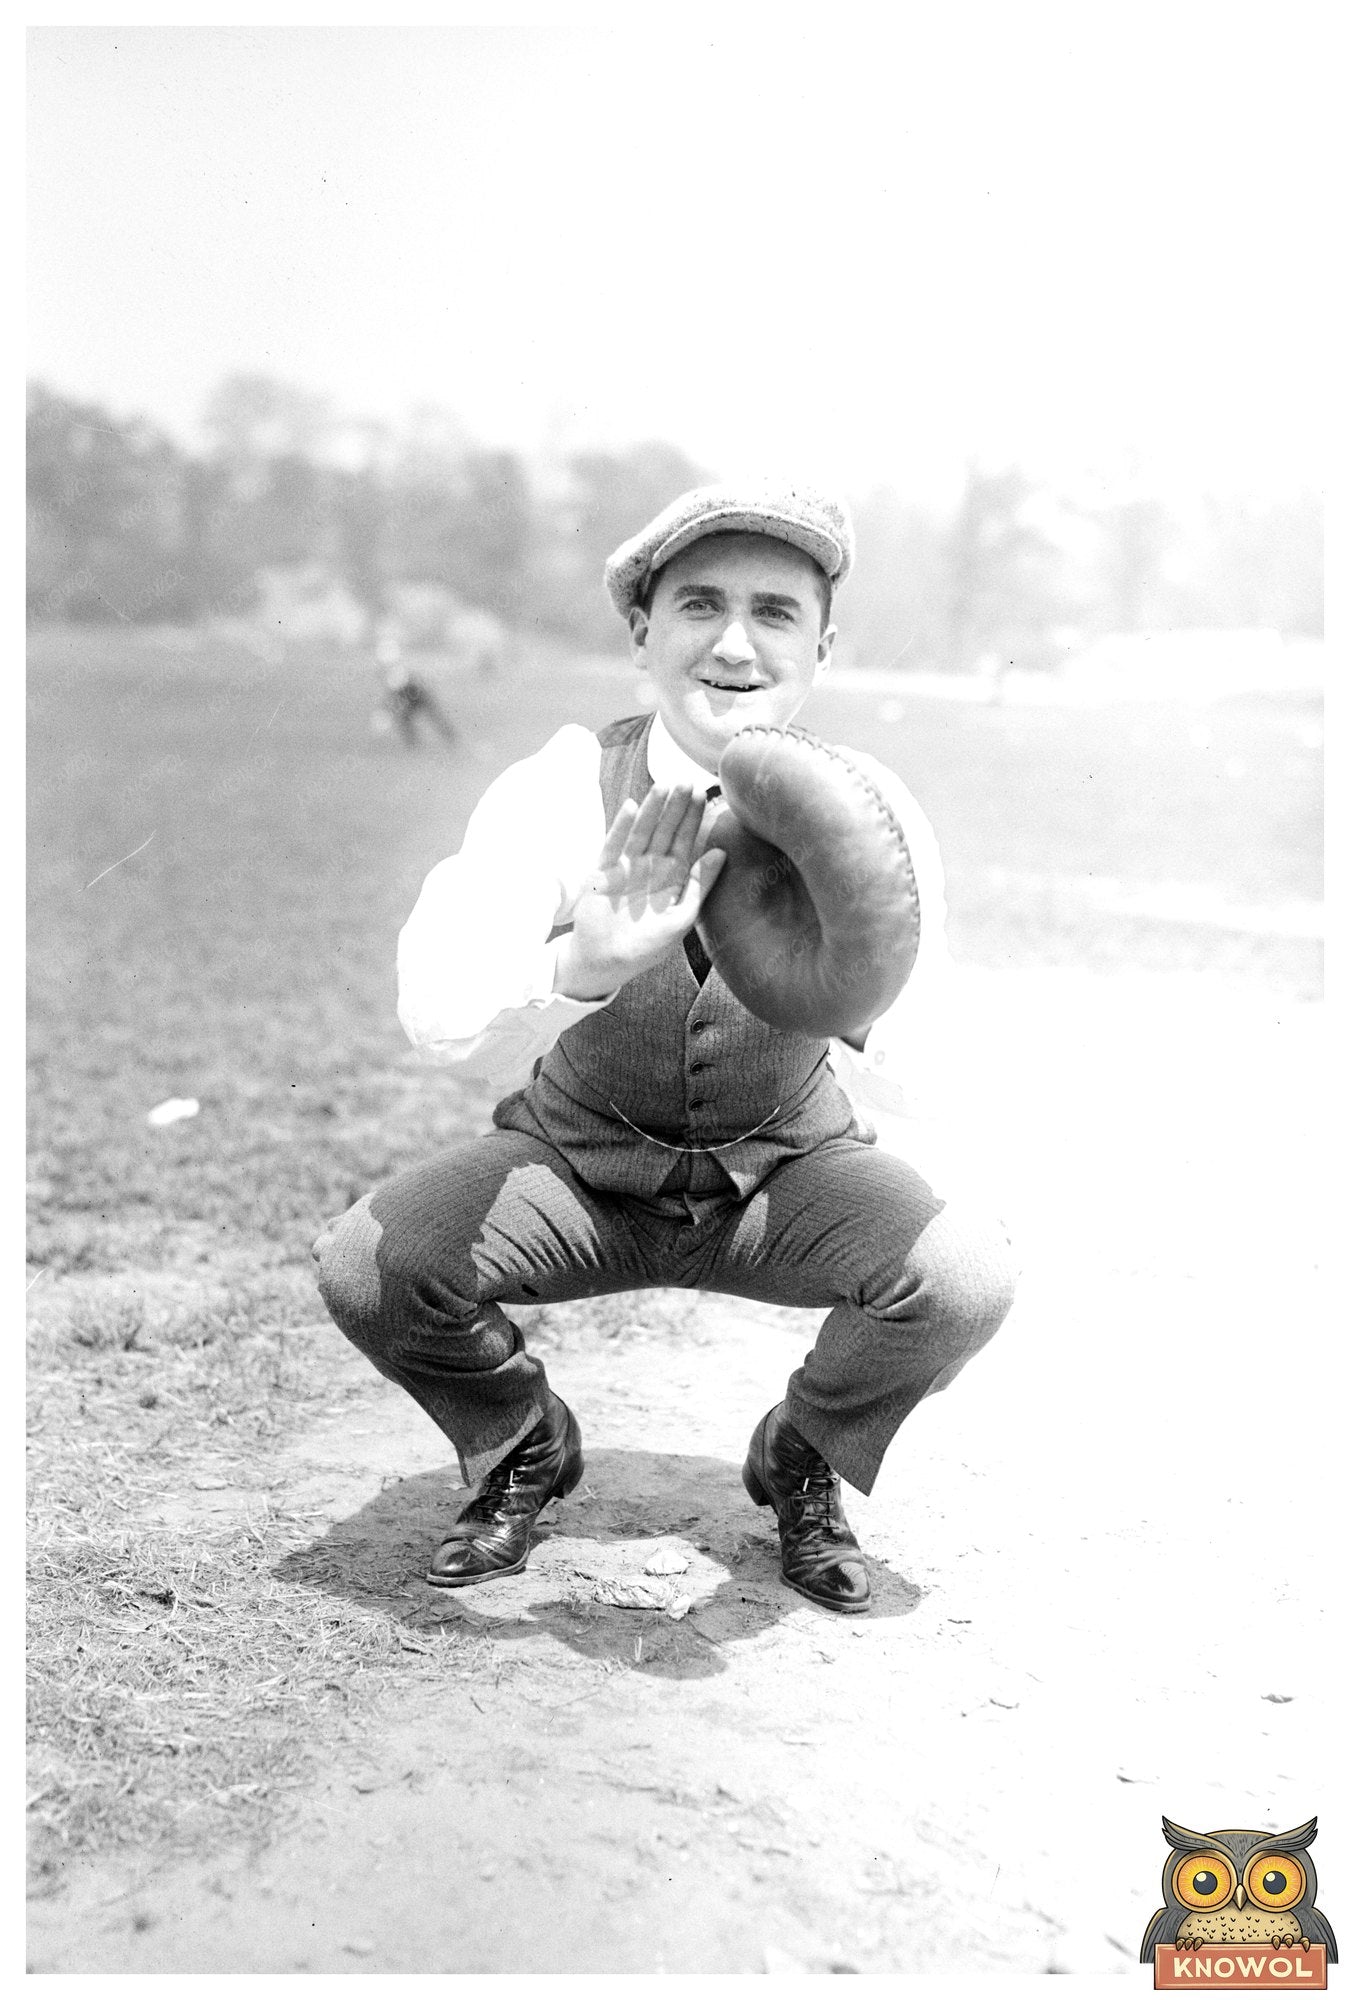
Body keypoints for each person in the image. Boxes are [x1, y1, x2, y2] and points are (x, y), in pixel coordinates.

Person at [315, 483, 1016, 1614]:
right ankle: (520, 1440)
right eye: (700, 603)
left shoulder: (870, 808)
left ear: (821, 647)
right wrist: (579, 959)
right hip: (582, 1173)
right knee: (372, 1261)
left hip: (780, 1177)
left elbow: (946, 1063)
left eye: (775, 612)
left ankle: (806, 1450)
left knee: (964, 1275)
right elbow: (431, 1007)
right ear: (643, 629)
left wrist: (847, 985)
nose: (735, 643)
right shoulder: (560, 788)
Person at [372, 630, 458, 749]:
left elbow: (399, 693)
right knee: (406, 718)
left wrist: (386, 711)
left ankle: (452, 740)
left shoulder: (396, 670)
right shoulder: (392, 669)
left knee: (434, 718)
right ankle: (414, 745)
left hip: (419, 696)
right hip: (412, 697)